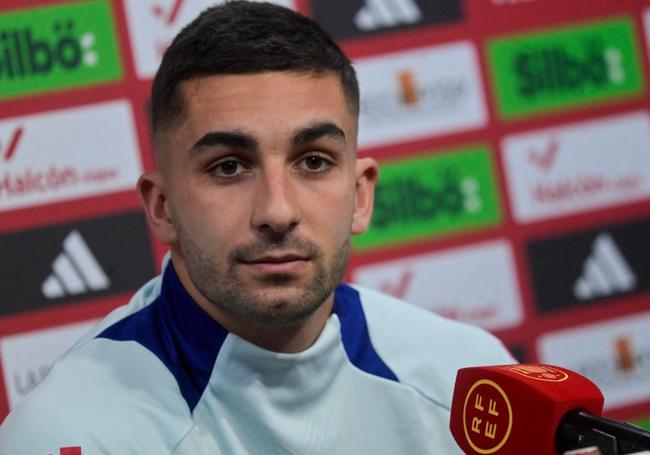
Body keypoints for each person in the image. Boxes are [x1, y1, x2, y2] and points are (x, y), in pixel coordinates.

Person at [0, 2, 514, 453]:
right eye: (229, 167)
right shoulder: (71, 434)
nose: (277, 210)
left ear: (361, 196)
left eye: (313, 161)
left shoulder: (471, 382)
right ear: (162, 208)